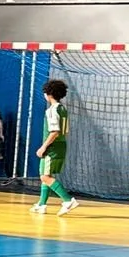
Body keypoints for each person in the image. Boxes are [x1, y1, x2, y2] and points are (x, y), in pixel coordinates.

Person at [33, 78, 77, 216]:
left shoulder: (52, 110)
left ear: (48, 94)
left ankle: (67, 200)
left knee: (45, 177)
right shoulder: (62, 109)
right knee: (45, 176)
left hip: (52, 147)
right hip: (61, 145)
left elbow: (55, 132)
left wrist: (43, 147)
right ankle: (42, 204)